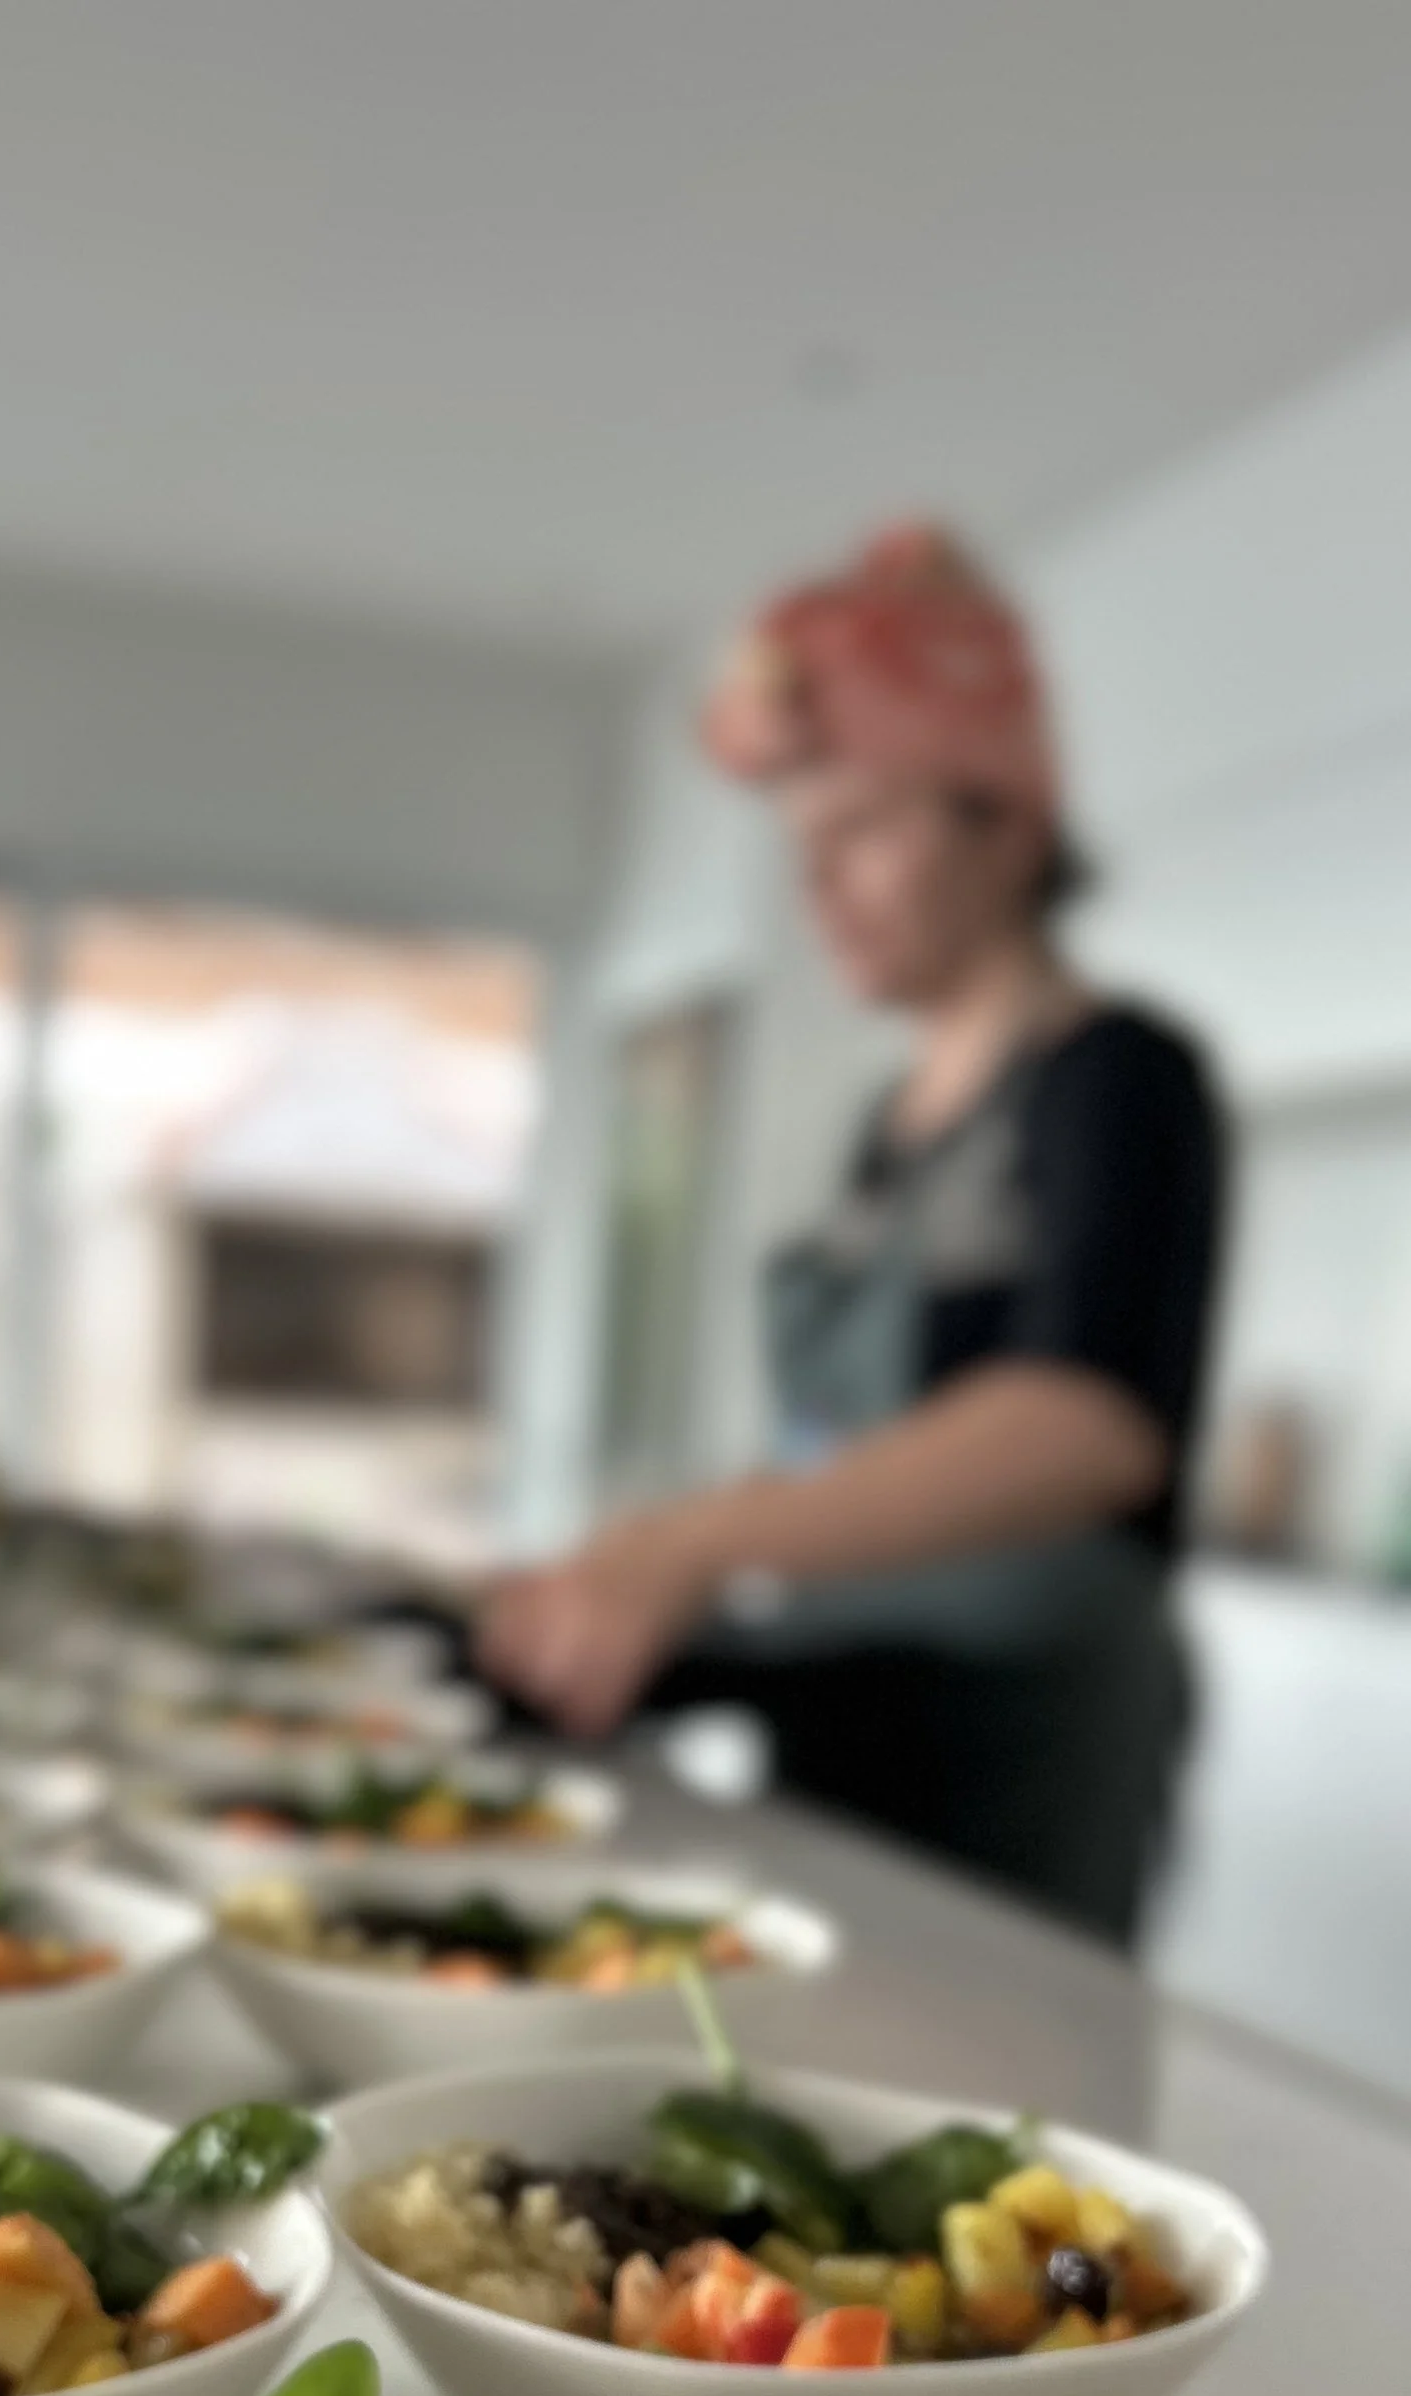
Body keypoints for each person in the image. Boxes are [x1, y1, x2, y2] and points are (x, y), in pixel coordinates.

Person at [479, 522, 1227, 1944]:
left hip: (1023, 1733)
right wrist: (636, 1562)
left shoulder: (1119, 1080)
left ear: (1007, 822)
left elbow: (1084, 1424)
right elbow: (850, 1453)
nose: (820, 889)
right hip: (852, 1695)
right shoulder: (892, 1124)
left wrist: (701, 1537)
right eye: (805, 848)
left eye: (862, 834)